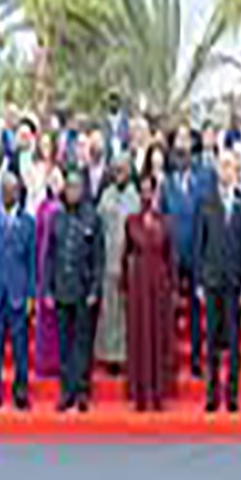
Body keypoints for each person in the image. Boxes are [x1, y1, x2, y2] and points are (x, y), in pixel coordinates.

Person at [194, 150, 241, 413]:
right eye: (223, 166)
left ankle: (232, 395)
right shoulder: (205, 202)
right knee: (211, 342)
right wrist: (198, 281)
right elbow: (199, 244)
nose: (226, 170)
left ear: (236, 170)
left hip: (234, 282)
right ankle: (212, 394)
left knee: (233, 341)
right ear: (217, 170)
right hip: (211, 281)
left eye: (231, 166)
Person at [44, 169, 104, 412]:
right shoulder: (57, 218)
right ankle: (66, 391)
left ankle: (82, 390)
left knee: (82, 343)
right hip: (61, 288)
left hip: (83, 289)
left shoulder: (93, 217)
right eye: (69, 187)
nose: (72, 192)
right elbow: (50, 256)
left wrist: (95, 289)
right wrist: (48, 288)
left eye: (76, 187)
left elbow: (99, 257)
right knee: (64, 344)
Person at [0, 173, 35, 411]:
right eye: (5, 189)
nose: (9, 193)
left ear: (19, 193)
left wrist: (31, 294)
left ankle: (21, 391)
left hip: (18, 294)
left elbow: (31, 262)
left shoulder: (28, 223)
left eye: (13, 189)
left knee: (20, 349)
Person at [123, 176, 177, 412]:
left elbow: (171, 257)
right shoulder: (131, 221)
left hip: (159, 285)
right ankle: (140, 392)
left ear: (155, 194)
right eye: (142, 191)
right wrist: (125, 284)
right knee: (140, 336)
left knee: (158, 336)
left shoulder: (165, 222)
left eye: (149, 191)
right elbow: (125, 254)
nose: (146, 195)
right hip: (139, 286)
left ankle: (158, 392)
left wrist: (173, 287)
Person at [162, 134, 212, 378]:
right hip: (172, 256)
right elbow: (162, 221)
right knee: (169, 311)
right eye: (178, 154)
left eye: (186, 154)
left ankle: (195, 359)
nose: (182, 159)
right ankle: (168, 359)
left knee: (194, 311)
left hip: (195, 255)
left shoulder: (202, 182)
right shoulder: (166, 185)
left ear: (193, 156)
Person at [95, 156, 140, 374]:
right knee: (110, 311)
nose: (119, 173)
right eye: (116, 169)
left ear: (130, 172)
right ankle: (110, 355)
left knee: (126, 313)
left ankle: (127, 354)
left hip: (129, 263)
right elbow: (99, 226)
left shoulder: (136, 198)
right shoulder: (106, 195)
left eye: (123, 169)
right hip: (108, 260)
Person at [33, 166, 65, 379]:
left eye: (58, 179)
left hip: (61, 267)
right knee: (45, 318)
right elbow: (37, 238)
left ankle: (60, 362)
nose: (54, 183)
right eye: (51, 179)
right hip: (43, 265)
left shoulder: (65, 208)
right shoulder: (42, 207)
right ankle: (45, 363)